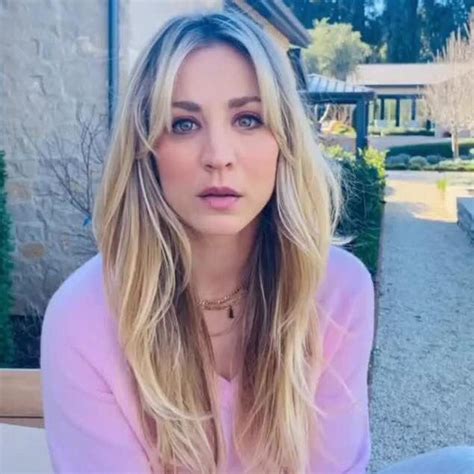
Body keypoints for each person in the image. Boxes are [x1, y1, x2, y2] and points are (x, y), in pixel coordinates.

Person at [40, 9, 474, 474]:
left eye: (248, 119)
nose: (219, 157)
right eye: (184, 124)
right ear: (146, 149)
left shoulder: (337, 290)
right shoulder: (84, 317)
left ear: (284, 140)